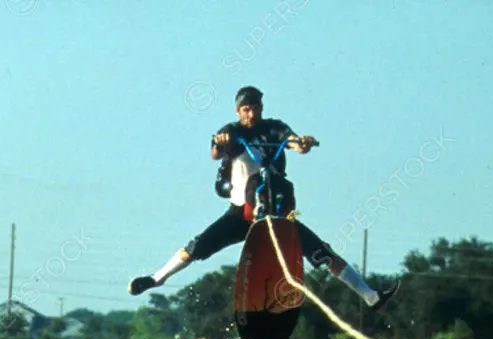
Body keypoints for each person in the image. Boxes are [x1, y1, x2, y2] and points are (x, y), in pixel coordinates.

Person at [128, 85, 399, 313]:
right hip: (241, 214)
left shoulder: (274, 128)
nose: (252, 113)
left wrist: (302, 143)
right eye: (246, 109)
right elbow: (216, 151)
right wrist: (220, 142)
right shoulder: (233, 131)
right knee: (196, 246)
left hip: (277, 214)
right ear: (238, 111)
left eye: (256, 107)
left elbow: (293, 142)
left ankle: (370, 296)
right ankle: (157, 277)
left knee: (322, 252)